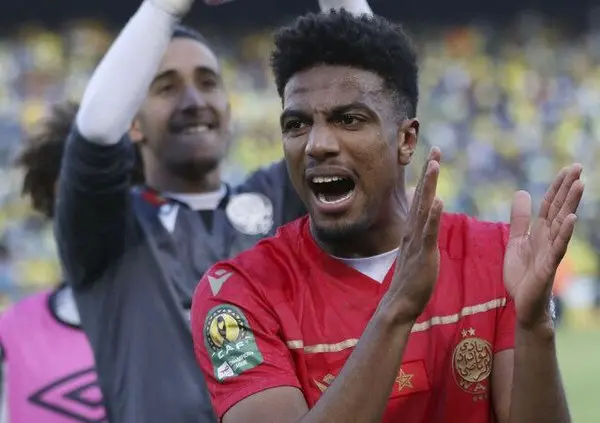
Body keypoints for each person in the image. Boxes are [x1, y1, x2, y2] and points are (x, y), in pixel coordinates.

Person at [191, 11, 582, 423]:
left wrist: (535, 326)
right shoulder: (238, 293)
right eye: (297, 124)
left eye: (349, 119)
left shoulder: (495, 258)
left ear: (406, 140)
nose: (317, 144)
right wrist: (398, 307)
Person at [54, 0, 368, 421]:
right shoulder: (109, 230)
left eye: (207, 83)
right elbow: (95, 133)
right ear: (133, 121)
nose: (194, 100)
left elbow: (372, 98)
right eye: (166, 87)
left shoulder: (283, 199)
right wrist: (164, 8)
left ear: (229, 108)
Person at [0, 101, 108, 423]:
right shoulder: (10, 335)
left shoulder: (182, 321)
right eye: (72, 195)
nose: (87, 210)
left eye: (103, 190)